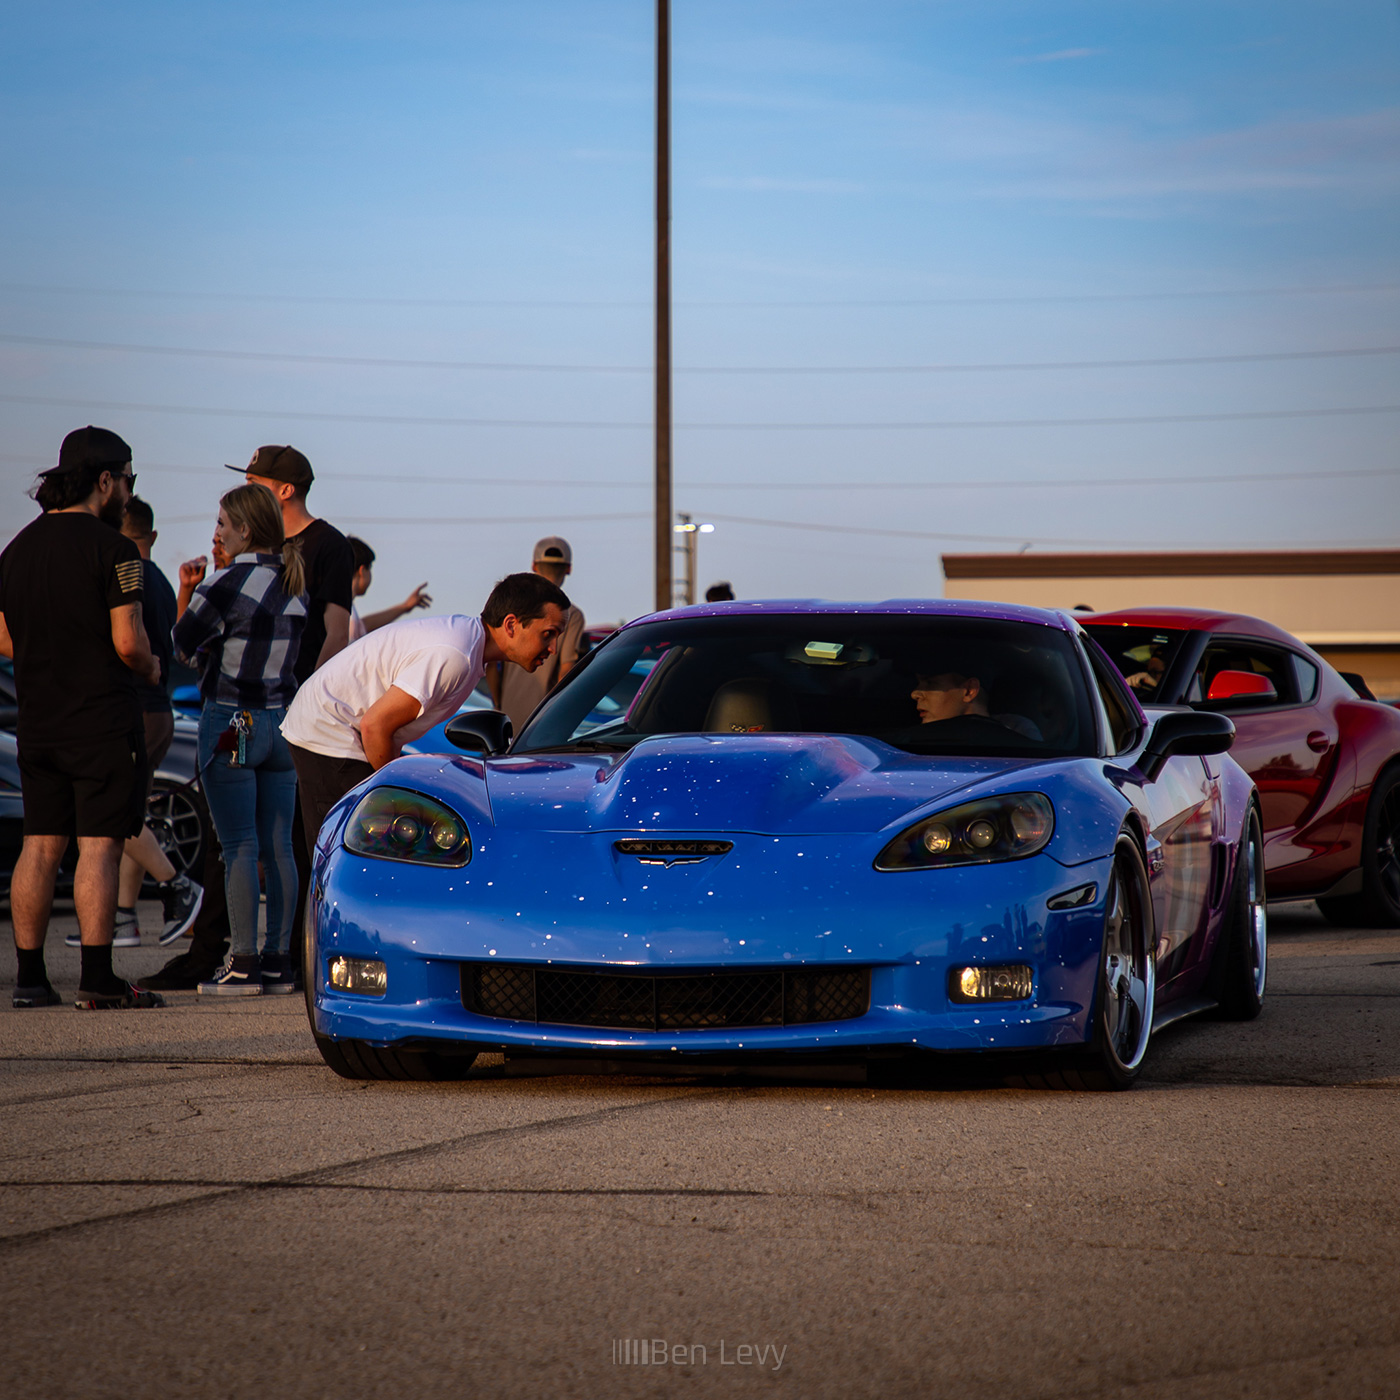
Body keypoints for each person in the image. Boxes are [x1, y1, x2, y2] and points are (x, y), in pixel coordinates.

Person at [0, 426, 164, 1009]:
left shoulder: (16, 550)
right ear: (104, 480)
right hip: (100, 722)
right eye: (127, 479)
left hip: (37, 723)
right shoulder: (115, 549)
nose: (127, 490)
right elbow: (128, 642)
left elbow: (6, 639)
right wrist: (150, 669)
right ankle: (97, 979)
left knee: (39, 846)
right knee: (98, 846)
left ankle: (29, 980)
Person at [282, 572, 568, 860]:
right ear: (511, 625)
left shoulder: (468, 647)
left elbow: (388, 730)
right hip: (329, 730)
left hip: (333, 727)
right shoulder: (455, 655)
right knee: (345, 859)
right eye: (548, 634)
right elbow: (375, 725)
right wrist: (393, 796)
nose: (553, 648)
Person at [173, 485, 307, 996]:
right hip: (281, 727)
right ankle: (278, 963)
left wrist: (193, 593)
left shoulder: (227, 583)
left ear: (245, 530)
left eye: (224, 524)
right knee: (279, 848)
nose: (219, 532)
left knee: (239, 847)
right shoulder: (295, 583)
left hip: (233, 724)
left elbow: (182, 645)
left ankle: (244, 963)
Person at [88, 494, 202, 950]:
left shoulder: (123, 577)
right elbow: (175, 643)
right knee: (134, 809)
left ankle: (178, 885)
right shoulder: (158, 581)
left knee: (113, 812)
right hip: (160, 710)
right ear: (152, 536)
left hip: (135, 707)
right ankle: (124, 917)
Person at [495, 537, 584, 733]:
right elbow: (566, 671)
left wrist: (498, 702)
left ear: (534, 566)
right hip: (543, 724)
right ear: (568, 568)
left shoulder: (513, 607)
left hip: (506, 722)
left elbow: (492, 663)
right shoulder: (572, 615)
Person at [910, 665, 1041, 740]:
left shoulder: (1020, 734)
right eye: (918, 683)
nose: (914, 694)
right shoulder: (902, 743)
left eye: (930, 683)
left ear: (969, 691)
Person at [346, 535, 431, 642]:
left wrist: (405, 606)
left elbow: (362, 626)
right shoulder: (345, 608)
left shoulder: (345, 609)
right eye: (370, 569)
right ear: (362, 570)